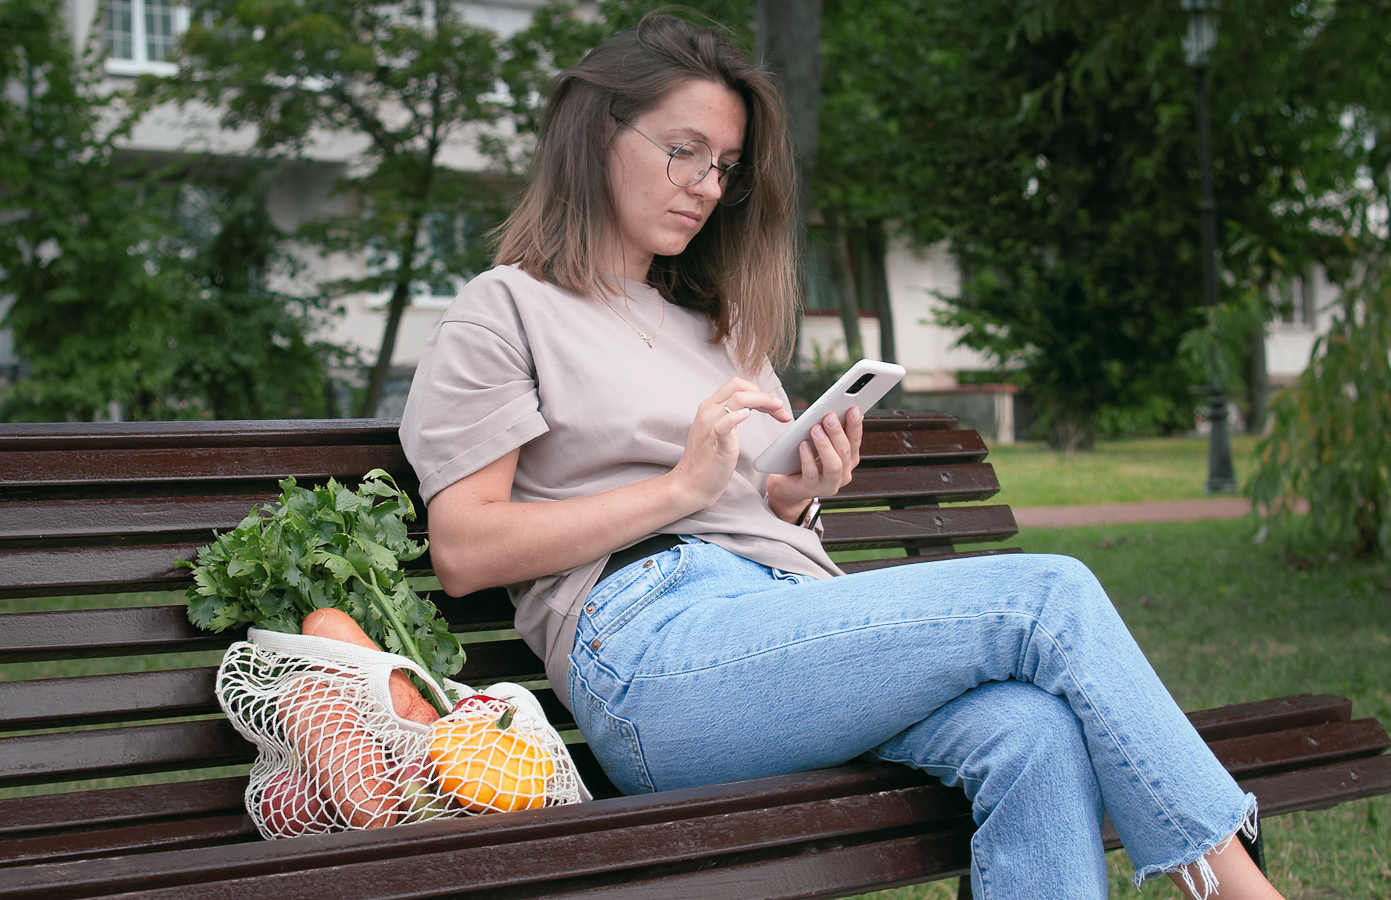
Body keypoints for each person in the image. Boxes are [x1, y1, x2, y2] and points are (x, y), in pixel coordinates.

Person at [399, 14, 1285, 900]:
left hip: (788, 621)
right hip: (651, 661)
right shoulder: (504, 308)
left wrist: (794, 497)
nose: (707, 185)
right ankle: (1236, 884)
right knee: (1048, 596)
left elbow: (743, 513)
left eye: (725, 165)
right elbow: (466, 550)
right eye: (685, 151)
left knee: (1032, 731)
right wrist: (678, 489)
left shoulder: (718, 328)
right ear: (598, 134)